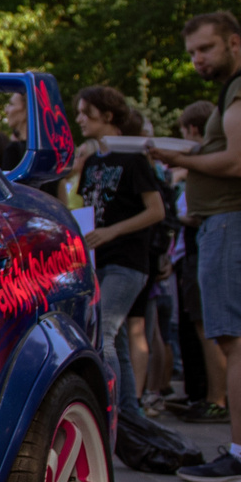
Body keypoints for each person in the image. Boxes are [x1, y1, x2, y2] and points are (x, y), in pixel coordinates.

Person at [155, 10, 241, 482]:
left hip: (235, 221)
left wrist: (180, 158)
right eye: (192, 53)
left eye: (205, 49)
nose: (198, 60)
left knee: (235, 339)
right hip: (233, 221)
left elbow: (240, 160)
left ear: (234, 42)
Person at [70, 87, 164, 405]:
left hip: (127, 261)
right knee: (117, 342)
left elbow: (156, 210)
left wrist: (111, 232)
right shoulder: (93, 159)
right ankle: (128, 417)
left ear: (108, 115)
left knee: (103, 332)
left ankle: (106, 411)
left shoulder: (134, 159)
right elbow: (85, 205)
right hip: (99, 260)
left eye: (87, 112)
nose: (79, 119)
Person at [173, 101, 223, 420]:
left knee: (212, 331)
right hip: (194, 254)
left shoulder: (206, 165)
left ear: (192, 131)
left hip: (200, 253)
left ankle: (217, 398)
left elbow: (196, 212)